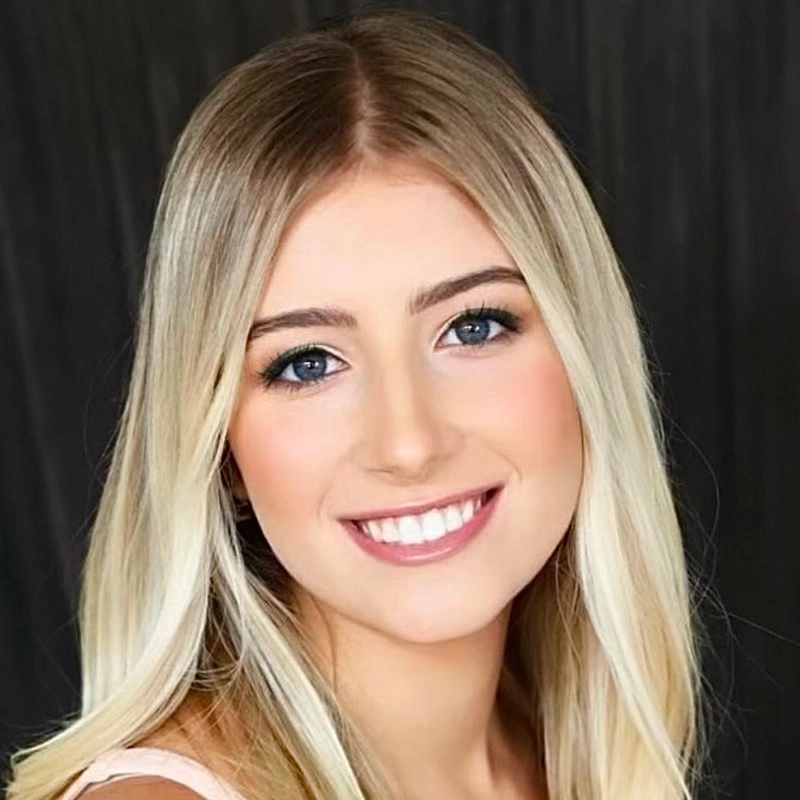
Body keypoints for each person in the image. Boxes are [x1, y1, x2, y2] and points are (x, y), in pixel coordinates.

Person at [6, 8, 709, 800]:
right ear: (220, 450)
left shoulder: (562, 746)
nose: (408, 443)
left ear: (587, 359)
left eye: (472, 327)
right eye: (307, 363)